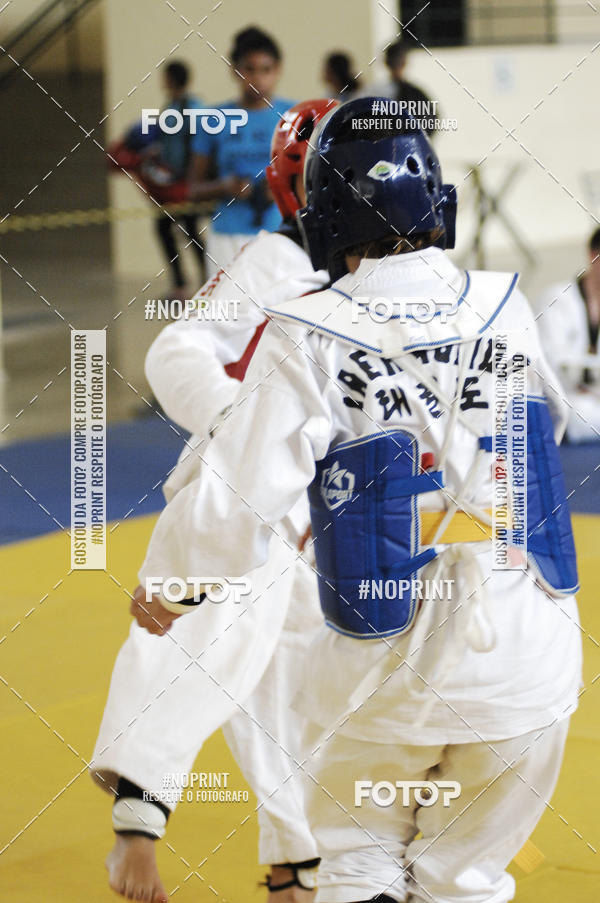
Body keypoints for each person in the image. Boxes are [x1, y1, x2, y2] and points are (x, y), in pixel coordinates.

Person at [130, 98, 582, 903]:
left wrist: (173, 581)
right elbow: (551, 426)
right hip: (526, 660)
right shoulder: (507, 305)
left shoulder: (309, 329)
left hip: (384, 660)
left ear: (322, 206)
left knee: (359, 854)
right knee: (464, 875)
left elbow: (242, 492)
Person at [91, 101, 336, 903]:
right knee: (208, 635)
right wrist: (241, 425)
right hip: (253, 489)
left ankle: (295, 866)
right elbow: (176, 348)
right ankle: (140, 816)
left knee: (303, 695)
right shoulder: (274, 261)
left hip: (338, 515)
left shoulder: (389, 281)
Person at [189, 27, 294, 278]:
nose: (257, 78)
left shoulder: (293, 116)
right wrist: (225, 187)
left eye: (266, 69)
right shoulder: (215, 119)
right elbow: (193, 188)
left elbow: (311, 183)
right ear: (235, 71)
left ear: (277, 70)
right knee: (228, 314)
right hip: (228, 236)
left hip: (282, 234)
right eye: (249, 69)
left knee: (280, 314)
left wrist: (280, 190)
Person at [535, 226, 600, 442]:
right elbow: (550, 364)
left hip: (593, 403)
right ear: (593, 255)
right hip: (563, 402)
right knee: (579, 413)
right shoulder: (556, 298)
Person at [153, 61, 206, 294]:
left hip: (187, 183)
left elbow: (201, 145)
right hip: (172, 181)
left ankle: (193, 282)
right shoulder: (171, 106)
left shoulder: (192, 108)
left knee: (187, 229)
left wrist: (194, 180)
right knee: (180, 229)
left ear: (172, 79)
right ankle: (185, 282)